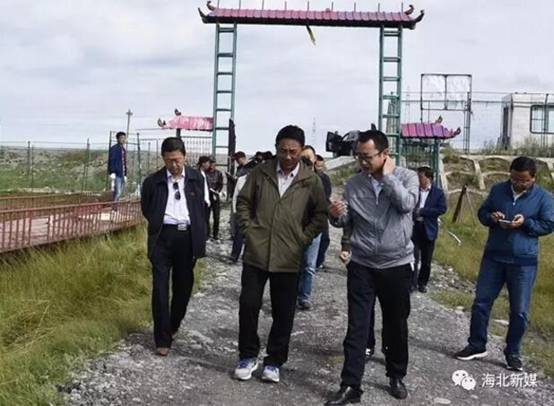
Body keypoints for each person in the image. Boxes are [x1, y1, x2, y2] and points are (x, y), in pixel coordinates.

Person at [326, 129, 418, 404]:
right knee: (357, 326)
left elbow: (406, 205)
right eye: (359, 157)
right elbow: (347, 221)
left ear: (385, 154)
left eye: (367, 157)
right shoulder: (355, 184)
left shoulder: (407, 177)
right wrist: (336, 216)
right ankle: (350, 385)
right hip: (363, 264)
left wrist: (388, 178)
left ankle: (396, 374)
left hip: (396, 264)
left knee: (395, 324)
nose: (362, 162)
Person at [234, 125, 327, 383]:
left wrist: (302, 239)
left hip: (288, 257)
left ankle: (274, 361)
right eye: (283, 150)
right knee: (248, 306)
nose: (287, 156)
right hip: (257, 253)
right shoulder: (261, 172)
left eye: (293, 151)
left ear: (301, 150)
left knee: (283, 311)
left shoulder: (310, 180)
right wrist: (249, 230)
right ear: (276, 148)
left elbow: (320, 215)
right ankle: (247, 355)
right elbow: (243, 202)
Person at [455, 156, 554, 372]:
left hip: (523, 262)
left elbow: (548, 224)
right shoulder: (498, 190)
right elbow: (483, 213)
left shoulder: (544, 198)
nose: (518, 183)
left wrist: (525, 223)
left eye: (523, 180)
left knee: (519, 310)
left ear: (533, 178)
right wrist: (492, 218)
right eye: (514, 178)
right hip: (494, 257)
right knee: (481, 302)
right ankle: (477, 344)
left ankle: (513, 352)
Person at [140, 137, 208, 356]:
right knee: (160, 288)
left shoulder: (197, 178)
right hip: (162, 237)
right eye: (169, 160)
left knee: (183, 287)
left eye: (177, 160)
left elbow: (202, 209)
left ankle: (174, 323)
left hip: (187, 237)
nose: (174, 164)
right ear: (163, 159)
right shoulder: (153, 182)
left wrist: (199, 236)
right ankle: (162, 338)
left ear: (185, 157)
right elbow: (147, 208)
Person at [411, 166, 447, 293]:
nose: (418, 179)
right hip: (414, 227)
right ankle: (412, 283)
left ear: (429, 178)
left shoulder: (438, 193)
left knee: (426, 260)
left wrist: (423, 211)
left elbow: (442, 209)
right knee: (413, 257)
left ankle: (422, 283)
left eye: (420, 177)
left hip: (428, 229)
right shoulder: (413, 190)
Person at [297, 145, 323, 310]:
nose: (306, 161)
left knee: (309, 265)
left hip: (314, 230)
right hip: (295, 228)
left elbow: (323, 207)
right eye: (303, 158)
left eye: (308, 158)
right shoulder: (295, 179)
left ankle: (304, 296)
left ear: (315, 159)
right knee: (294, 265)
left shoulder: (322, 180)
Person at [230, 159, 258, 263]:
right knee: (239, 235)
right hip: (241, 212)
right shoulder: (241, 180)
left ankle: (248, 256)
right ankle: (234, 255)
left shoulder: (260, 181)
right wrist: (235, 211)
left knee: (251, 237)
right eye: (249, 170)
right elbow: (235, 196)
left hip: (254, 213)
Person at [315, 154, 332, 271]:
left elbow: (327, 194)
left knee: (325, 239)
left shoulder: (325, 178)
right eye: (318, 166)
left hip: (323, 211)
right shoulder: (310, 177)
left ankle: (319, 261)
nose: (320, 168)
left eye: (322, 166)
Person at [205, 157, 224, 240]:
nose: (211, 165)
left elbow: (220, 184)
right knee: (206, 217)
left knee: (216, 217)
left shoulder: (219, 173)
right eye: (210, 163)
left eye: (213, 163)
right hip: (207, 197)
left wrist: (216, 192)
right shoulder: (205, 173)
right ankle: (207, 233)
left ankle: (215, 234)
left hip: (215, 197)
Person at [108, 131, 127, 202]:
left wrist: (125, 174)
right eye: (122, 138)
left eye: (124, 138)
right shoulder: (114, 148)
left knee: (119, 192)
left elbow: (124, 162)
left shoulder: (123, 149)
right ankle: (114, 207)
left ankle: (115, 205)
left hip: (122, 173)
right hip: (117, 174)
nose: (123, 140)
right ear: (118, 139)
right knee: (117, 192)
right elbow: (112, 160)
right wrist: (112, 172)